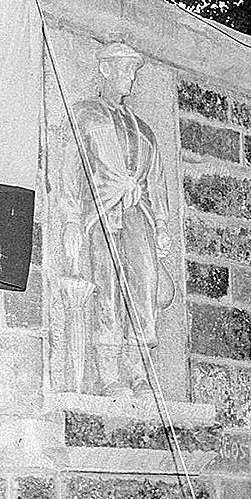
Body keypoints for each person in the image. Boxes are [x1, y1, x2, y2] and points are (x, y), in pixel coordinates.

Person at [61, 42, 172, 394]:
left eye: (135, 71)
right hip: (101, 214)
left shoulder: (144, 129)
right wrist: (70, 219)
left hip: (138, 216)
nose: (131, 78)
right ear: (106, 69)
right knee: (106, 290)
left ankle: (140, 373)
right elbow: (69, 168)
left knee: (144, 287)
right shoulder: (84, 114)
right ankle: (108, 376)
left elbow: (155, 180)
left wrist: (163, 225)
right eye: (125, 69)